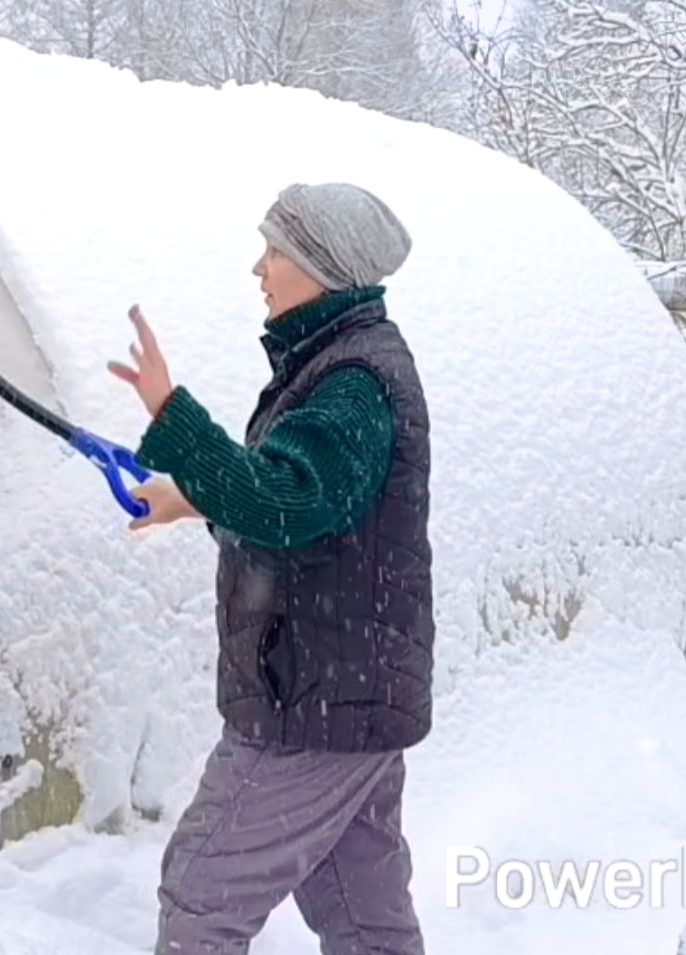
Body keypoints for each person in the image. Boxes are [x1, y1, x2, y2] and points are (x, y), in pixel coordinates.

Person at [108, 182, 432, 955]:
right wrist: (189, 498)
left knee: (201, 895)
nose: (259, 267)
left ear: (323, 265)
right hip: (347, 689)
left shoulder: (353, 383)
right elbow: (303, 508)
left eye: (275, 250)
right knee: (360, 909)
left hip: (315, 700)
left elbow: (283, 505)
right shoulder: (335, 361)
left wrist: (171, 413)